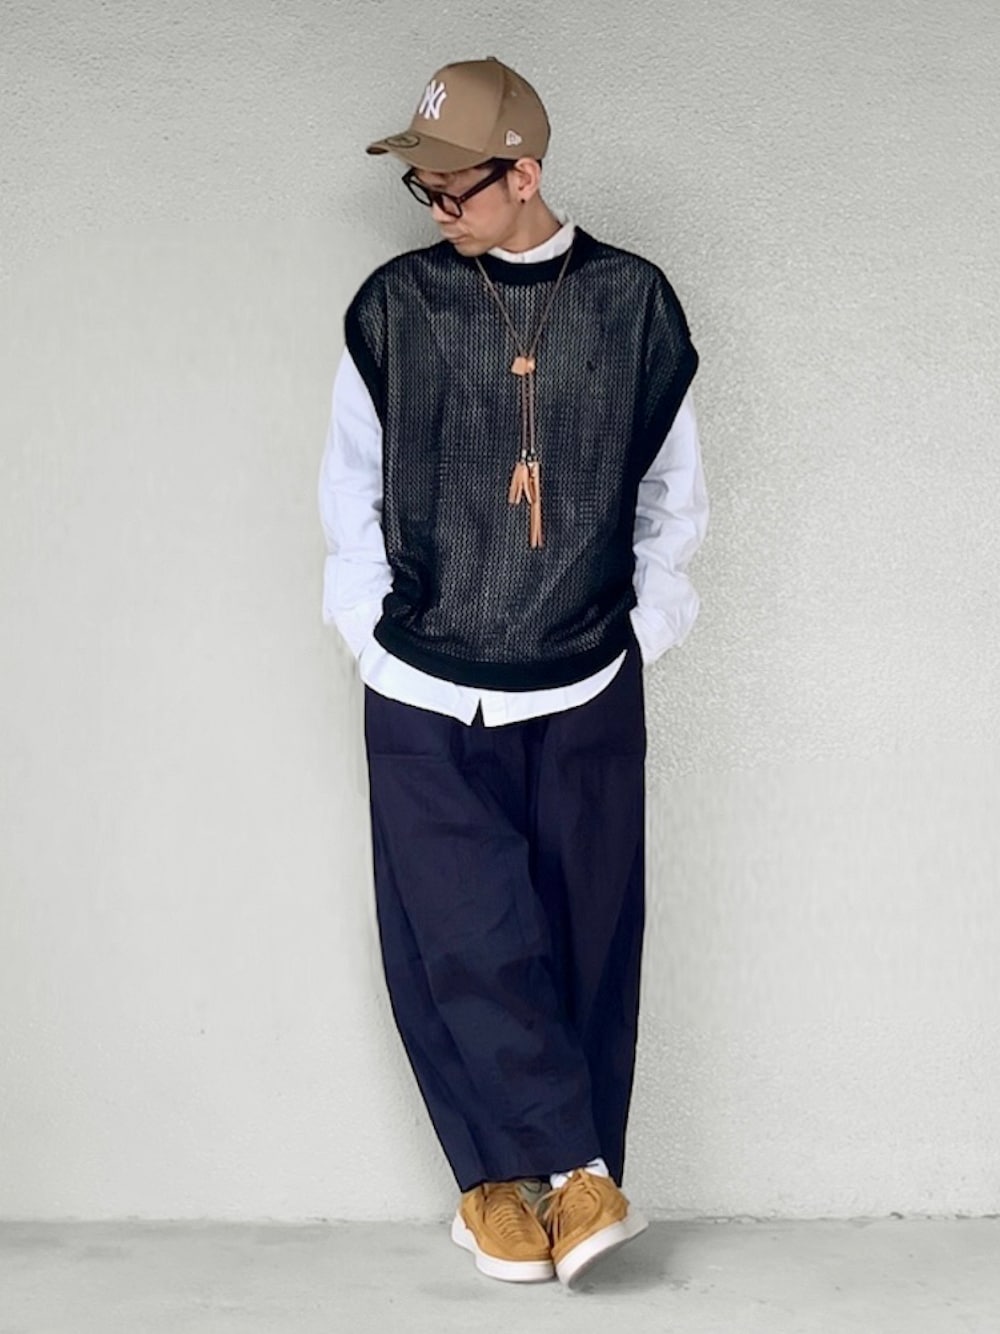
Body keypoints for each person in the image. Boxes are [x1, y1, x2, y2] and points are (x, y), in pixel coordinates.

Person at [318, 56, 708, 1288]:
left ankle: (561, 1187)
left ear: (523, 173)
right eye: (422, 190)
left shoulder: (633, 304)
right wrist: (368, 634)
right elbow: (348, 489)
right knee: (457, 933)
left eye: (452, 188)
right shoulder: (396, 307)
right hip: (425, 677)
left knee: (589, 929)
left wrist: (643, 628)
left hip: (585, 669)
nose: (434, 208)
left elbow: (671, 490)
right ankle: (520, 1177)